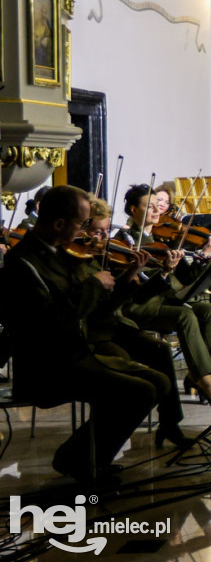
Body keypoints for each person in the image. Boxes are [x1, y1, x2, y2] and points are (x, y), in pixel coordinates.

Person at [1, 185, 168, 482]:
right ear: (59, 224)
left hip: (79, 353)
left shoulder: (64, 252)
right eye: (82, 224)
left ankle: (81, 456)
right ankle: (80, 460)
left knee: (159, 381)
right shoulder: (22, 263)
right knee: (140, 391)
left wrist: (126, 278)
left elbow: (98, 311)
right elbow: (49, 322)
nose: (88, 233)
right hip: (49, 364)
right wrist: (92, 285)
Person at [81, 197, 190, 450]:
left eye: (105, 231)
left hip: (115, 325)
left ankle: (170, 425)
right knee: (132, 374)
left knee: (160, 350)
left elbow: (134, 295)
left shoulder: (105, 255)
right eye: (96, 231)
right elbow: (100, 307)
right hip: (94, 332)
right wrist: (125, 276)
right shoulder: (80, 259)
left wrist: (161, 272)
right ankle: (96, 445)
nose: (102, 238)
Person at [116, 185, 211, 403]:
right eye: (150, 207)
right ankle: (205, 380)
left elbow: (184, 278)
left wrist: (205, 254)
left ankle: (199, 373)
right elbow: (140, 291)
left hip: (164, 301)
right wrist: (165, 271)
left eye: (158, 206)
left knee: (209, 310)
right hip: (139, 306)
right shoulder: (125, 240)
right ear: (134, 210)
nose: (157, 211)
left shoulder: (163, 238)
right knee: (185, 316)